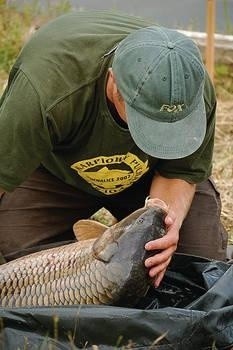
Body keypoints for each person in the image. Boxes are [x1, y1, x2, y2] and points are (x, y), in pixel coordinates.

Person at [0, 10, 228, 287]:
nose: (160, 132)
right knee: (21, 267)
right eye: (149, 122)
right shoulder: (45, 88)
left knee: (199, 266)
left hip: (150, 174)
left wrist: (163, 226)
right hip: (56, 172)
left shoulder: (191, 89)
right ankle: (90, 250)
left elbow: (180, 171)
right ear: (113, 80)